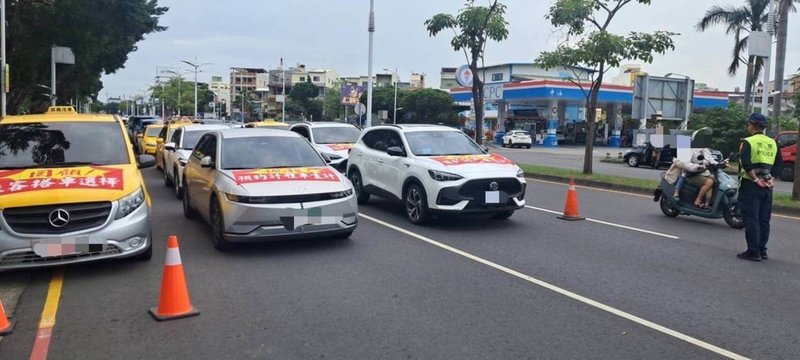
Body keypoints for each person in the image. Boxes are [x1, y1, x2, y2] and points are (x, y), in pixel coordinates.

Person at [736, 113, 783, 261]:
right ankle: (762, 250)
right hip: (768, 186)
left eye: (749, 124)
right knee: (764, 220)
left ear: (752, 125)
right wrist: (771, 178)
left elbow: (745, 163)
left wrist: (756, 179)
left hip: (751, 185)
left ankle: (753, 251)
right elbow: (779, 164)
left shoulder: (748, 142)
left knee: (751, 219)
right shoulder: (773, 143)